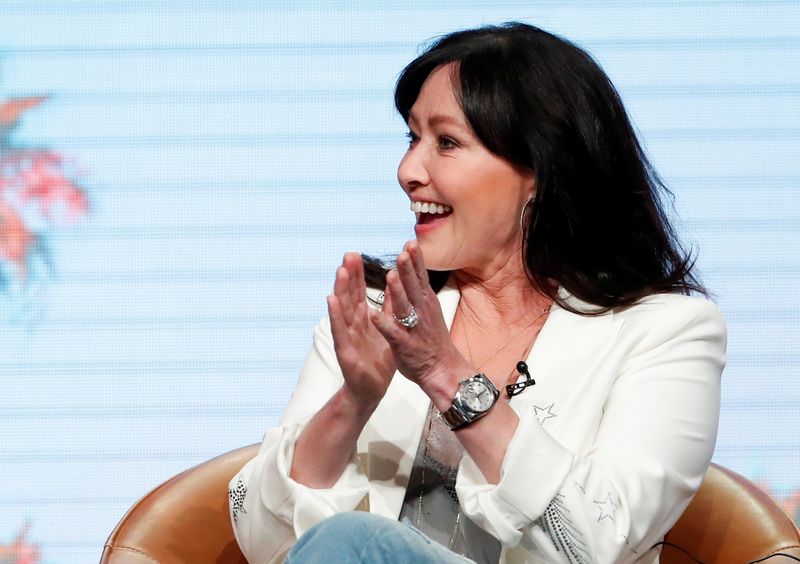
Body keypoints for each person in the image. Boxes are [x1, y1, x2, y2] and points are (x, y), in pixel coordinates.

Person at [228, 22, 725, 564]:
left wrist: (446, 375)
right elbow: (260, 537)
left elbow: (595, 544)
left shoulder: (666, 333)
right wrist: (353, 402)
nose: (408, 171)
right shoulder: (377, 314)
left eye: (446, 142)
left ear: (538, 169)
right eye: (412, 138)